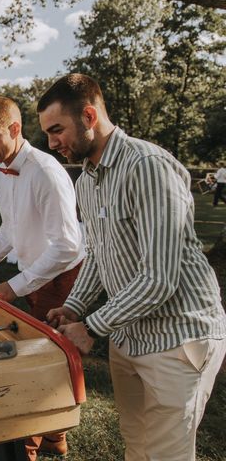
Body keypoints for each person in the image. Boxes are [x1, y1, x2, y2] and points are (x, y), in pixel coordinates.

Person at [38, 73, 226, 461]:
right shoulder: (85, 182)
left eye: (57, 130)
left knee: (167, 454)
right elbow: (98, 253)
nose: (51, 143)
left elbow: (160, 279)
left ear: (89, 116)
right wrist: (74, 305)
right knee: (136, 446)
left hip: (179, 337)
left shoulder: (148, 166)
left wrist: (90, 327)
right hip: (128, 337)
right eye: (47, 133)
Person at [0, 96, 84, 460]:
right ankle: (55, 438)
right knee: (47, 359)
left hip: (63, 279)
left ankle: (27, 446)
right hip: (31, 273)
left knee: (44, 363)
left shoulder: (44, 171)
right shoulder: (2, 170)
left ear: (15, 129)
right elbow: (9, 230)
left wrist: (12, 287)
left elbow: (67, 246)